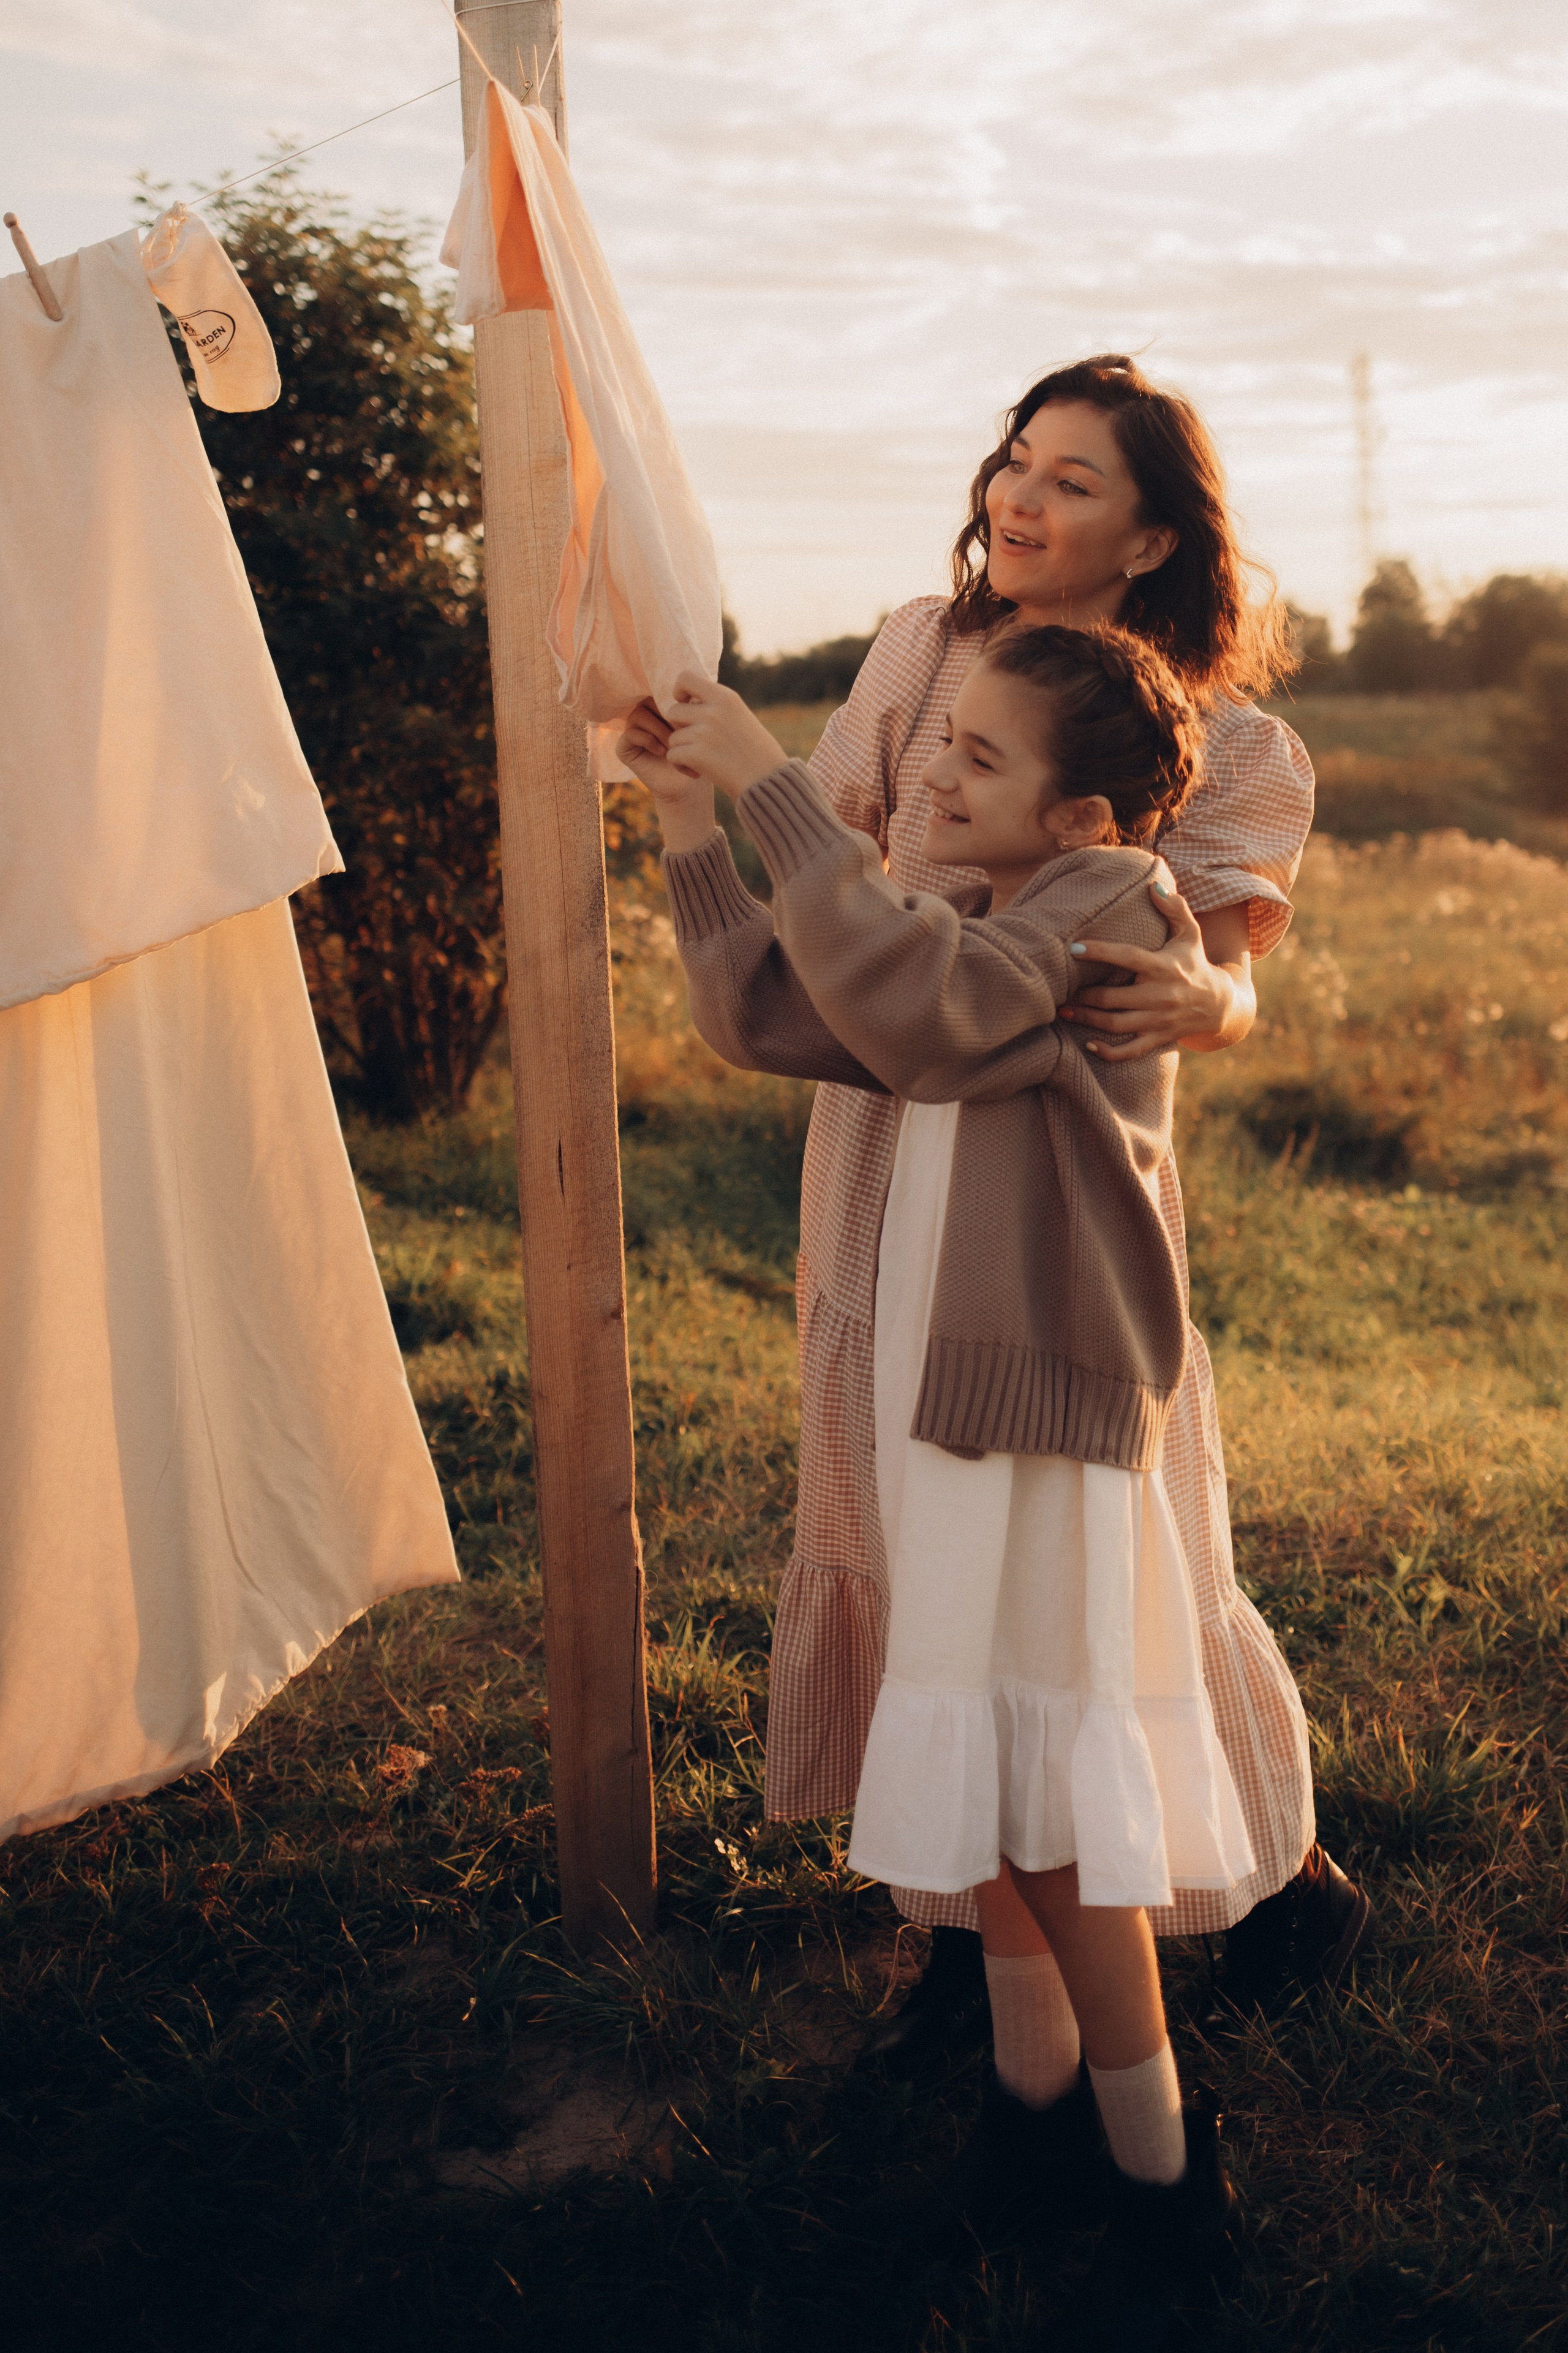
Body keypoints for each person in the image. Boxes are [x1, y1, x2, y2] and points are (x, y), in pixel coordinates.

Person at [620, 623, 1251, 2340]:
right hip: (945, 1403)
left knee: (1049, 1813)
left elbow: (928, 1012)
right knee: (986, 1767)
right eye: (940, 741)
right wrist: (694, 818)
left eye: (979, 757)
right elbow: (779, 1008)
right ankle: (1033, 2114)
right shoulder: (986, 915)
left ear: (1083, 814)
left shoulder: (1110, 908)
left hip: (1038, 1422)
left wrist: (765, 772)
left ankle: (1163, 2175)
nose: (934, 772)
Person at [748, 355, 1370, 2063]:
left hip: (1061, 1171)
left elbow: (1217, 969)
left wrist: (1221, 1012)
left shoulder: (1224, 740)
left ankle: (1253, 1864)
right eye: (1015, 463)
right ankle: (966, 1929)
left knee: (1113, 1530)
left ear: (1157, 534)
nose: (1020, 498)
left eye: (1074, 481)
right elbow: (837, 848)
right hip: (890, 1105)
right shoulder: (915, 649)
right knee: (894, 1492)